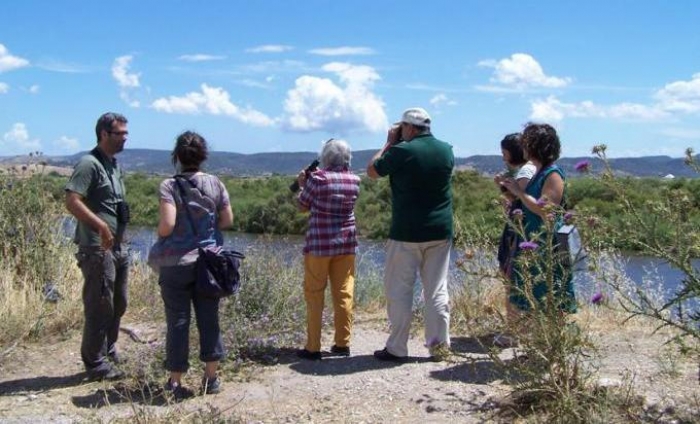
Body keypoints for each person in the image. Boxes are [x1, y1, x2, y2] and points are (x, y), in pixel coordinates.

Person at [367, 107, 454, 362]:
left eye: (401, 127)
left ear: (410, 128)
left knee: (400, 290)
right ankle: (439, 348)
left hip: (406, 231)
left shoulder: (402, 151)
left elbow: (372, 171)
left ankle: (397, 348)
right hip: (440, 230)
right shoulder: (446, 149)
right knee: (436, 290)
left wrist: (388, 143)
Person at [153, 131, 233, 397]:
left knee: (178, 321)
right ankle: (211, 379)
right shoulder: (216, 184)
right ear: (203, 156)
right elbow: (227, 220)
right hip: (208, 263)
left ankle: (175, 382)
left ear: (177, 157)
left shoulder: (169, 186)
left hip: (176, 263)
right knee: (209, 319)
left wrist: (161, 233)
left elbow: (167, 226)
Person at [65, 112, 130, 380]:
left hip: (116, 246)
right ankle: (95, 362)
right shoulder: (88, 164)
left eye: (126, 133)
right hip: (96, 247)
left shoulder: (112, 165)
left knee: (119, 301)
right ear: (104, 134)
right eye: (120, 134)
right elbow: (72, 200)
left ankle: (109, 348)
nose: (125, 138)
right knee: (100, 304)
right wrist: (101, 226)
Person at [500, 122, 577, 314]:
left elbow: (546, 210)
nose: (523, 146)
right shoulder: (539, 172)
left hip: (547, 243)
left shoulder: (552, 174)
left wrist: (518, 192)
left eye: (526, 142)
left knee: (550, 287)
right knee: (530, 288)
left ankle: (553, 337)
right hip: (533, 240)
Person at [295, 139, 361, 361]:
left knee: (315, 294)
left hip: (320, 244)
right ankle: (343, 344)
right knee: (343, 293)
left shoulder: (318, 179)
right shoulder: (355, 180)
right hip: (346, 244)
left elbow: (302, 206)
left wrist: (303, 184)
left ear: (325, 157)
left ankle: (313, 347)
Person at [493, 133, 536, 346]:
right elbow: (516, 198)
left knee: (512, 278)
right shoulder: (524, 170)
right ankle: (518, 329)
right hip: (516, 229)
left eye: (505, 153)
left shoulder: (526, 171)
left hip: (519, 233)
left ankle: (514, 332)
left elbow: (521, 197)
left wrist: (505, 188)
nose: (503, 157)